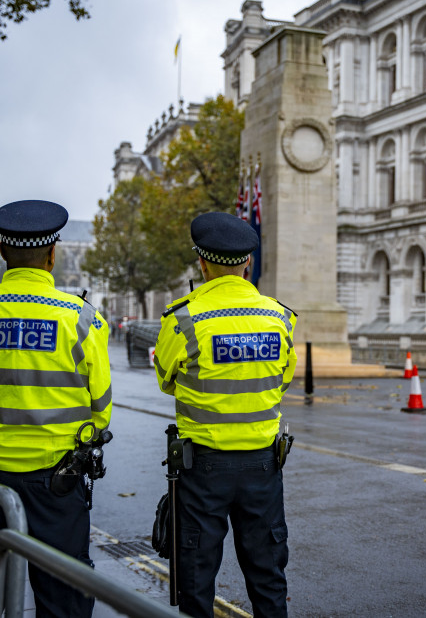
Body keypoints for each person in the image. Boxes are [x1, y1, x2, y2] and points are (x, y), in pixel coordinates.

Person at [0, 200, 112, 617]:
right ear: (53, 255)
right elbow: (100, 412)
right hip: (56, 486)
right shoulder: (82, 319)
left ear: (1, 252)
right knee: (62, 599)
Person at [154, 211, 297, 618]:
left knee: (196, 579)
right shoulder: (279, 317)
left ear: (202, 263)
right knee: (268, 578)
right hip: (263, 467)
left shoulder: (182, 318)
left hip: (204, 469)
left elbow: (167, 381)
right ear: (247, 263)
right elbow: (281, 380)